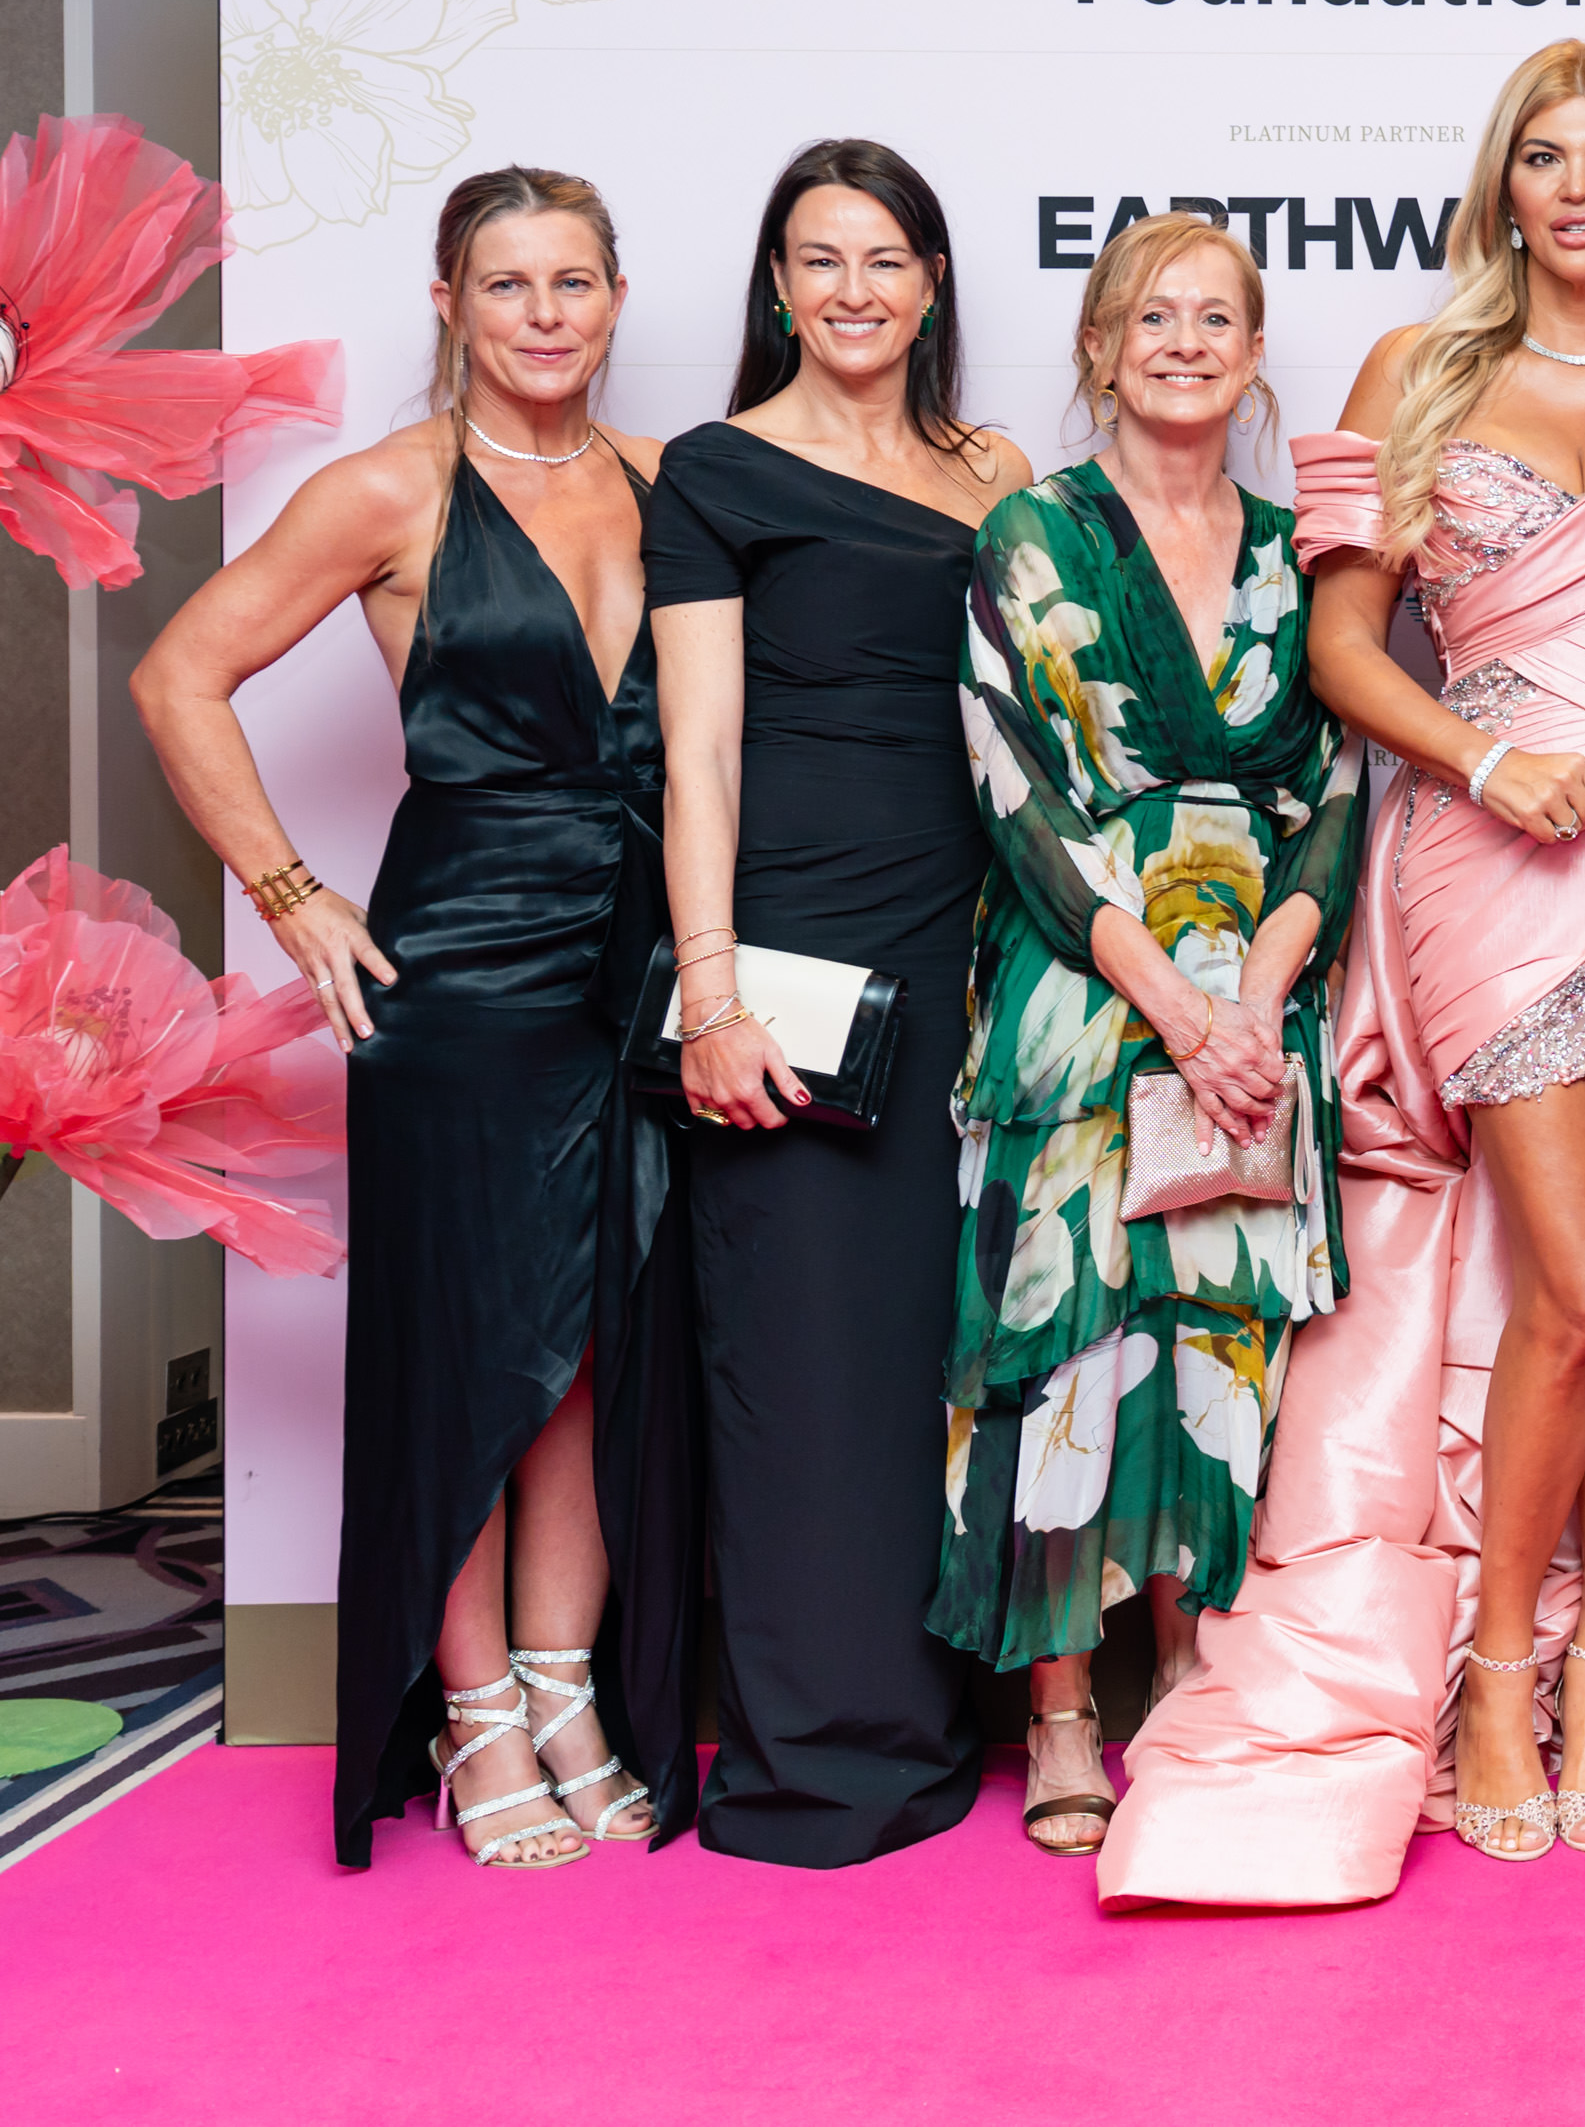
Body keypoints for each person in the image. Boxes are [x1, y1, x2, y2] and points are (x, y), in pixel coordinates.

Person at [1101, 37, 1585, 1899]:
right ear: (1501, 188)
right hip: (1495, 847)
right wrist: (1485, 757)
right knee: (1577, 1281)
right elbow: (1349, 653)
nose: (1578, 186)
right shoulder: (1414, 375)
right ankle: (1495, 1671)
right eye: (1544, 157)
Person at [137, 167, 692, 1869]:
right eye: (508, 282)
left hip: (643, 965)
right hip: (459, 966)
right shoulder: (389, 488)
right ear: (448, 302)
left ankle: (562, 1681)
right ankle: (466, 1711)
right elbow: (179, 674)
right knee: (466, 1347)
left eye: (574, 281)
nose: (545, 313)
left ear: (614, 299)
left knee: (595, 1344)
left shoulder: (674, 486)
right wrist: (297, 896)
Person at [932, 212, 1357, 1856]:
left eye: (1217, 318)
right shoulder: (1030, 535)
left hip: (1259, 995)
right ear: (1100, 346)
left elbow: (1335, 790)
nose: (1183, 341)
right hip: (1084, 985)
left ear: (1254, 355)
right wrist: (1173, 1004)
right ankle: (1058, 1708)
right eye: (1150, 317)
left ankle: (1184, 1658)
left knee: (1216, 1332)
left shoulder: (1293, 550)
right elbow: (1011, 791)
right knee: (1066, 1339)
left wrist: (1255, 999)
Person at [649, 138, 1030, 1868]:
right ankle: (821, 1752)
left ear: (933, 281)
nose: (855, 290)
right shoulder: (716, 472)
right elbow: (701, 750)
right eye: (821, 260)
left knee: (933, 1354)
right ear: (777, 286)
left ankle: (941, 1712)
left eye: (886, 258)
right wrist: (712, 994)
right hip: (792, 955)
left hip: (969, 946)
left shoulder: (998, 472)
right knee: (799, 1358)